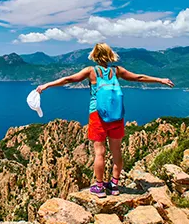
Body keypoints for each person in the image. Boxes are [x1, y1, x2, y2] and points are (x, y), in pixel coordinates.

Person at [36, 43, 174, 198]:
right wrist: (160, 80)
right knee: (116, 151)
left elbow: (68, 79)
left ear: (95, 55)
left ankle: (100, 187)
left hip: (97, 116)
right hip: (116, 116)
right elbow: (139, 77)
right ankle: (114, 186)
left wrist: (47, 85)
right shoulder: (117, 70)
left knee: (99, 153)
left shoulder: (91, 71)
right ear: (110, 55)